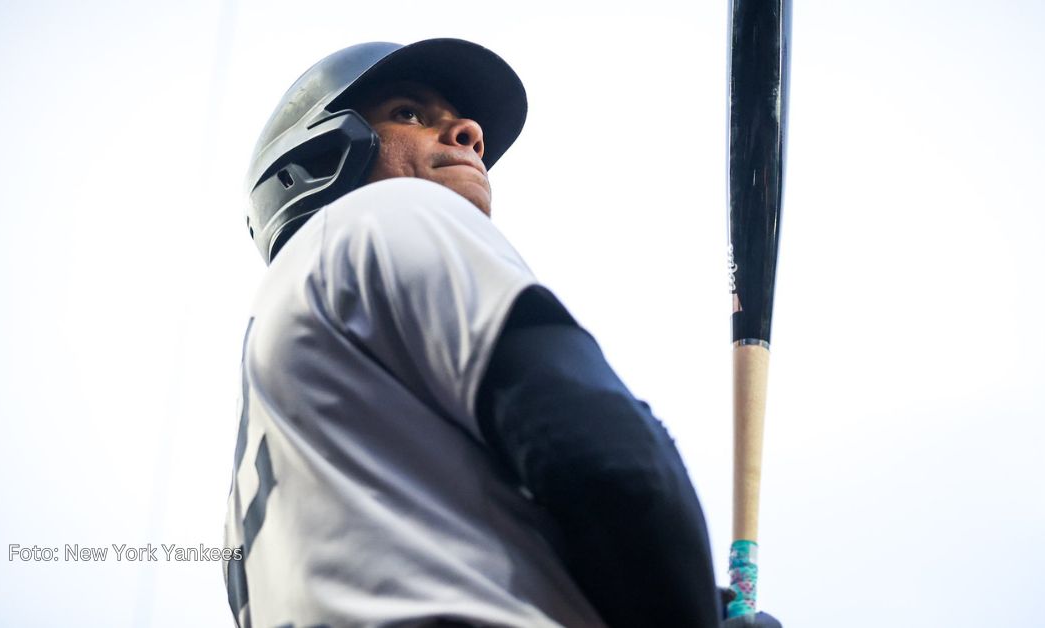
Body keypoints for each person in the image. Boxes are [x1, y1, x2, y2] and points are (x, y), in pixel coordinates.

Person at [224, 38, 781, 628]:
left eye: (464, 124)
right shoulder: (383, 216)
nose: (469, 132)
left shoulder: (252, 477)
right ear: (317, 156)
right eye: (409, 113)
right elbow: (615, 466)